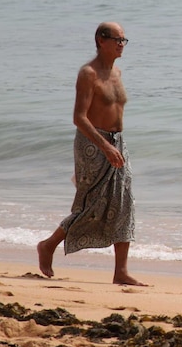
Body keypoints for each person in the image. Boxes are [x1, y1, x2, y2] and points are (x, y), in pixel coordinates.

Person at [37, 22, 146, 286]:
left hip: (118, 142)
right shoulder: (88, 73)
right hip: (92, 145)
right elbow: (79, 118)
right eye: (117, 39)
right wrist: (104, 146)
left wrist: (114, 144)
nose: (122, 44)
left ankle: (120, 271)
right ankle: (48, 245)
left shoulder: (117, 72)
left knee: (124, 202)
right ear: (101, 40)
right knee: (92, 203)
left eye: (124, 40)